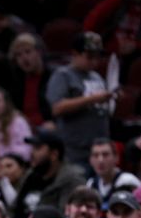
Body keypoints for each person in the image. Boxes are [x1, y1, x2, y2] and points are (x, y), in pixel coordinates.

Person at [46, 31, 112, 168]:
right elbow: (57, 108)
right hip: (75, 152)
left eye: (97, 57)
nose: (94, 61)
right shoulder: (63, 75)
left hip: (98, 150)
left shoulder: (96, 77)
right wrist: (92, 99)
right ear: (75, 53)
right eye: (89, 57)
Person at [11, 130, 86, 218]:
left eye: (37, 148)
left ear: (54, 154)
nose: (32, 153)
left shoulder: (71, 180)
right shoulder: (30, 175)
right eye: (32, 148)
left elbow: (65, 217)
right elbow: (13, 208)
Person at [9, 32, 54, 130]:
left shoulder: (54, 76)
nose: (24, 58)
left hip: (49, 129)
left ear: (38, 52)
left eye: (28, 52)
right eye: (18, 55)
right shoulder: (16, 80)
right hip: (23, 130)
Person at [86, 138, 141, 210]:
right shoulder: (91, 184)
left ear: (116, 158)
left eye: (105, 155)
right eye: (96, 155)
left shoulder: (128, 181)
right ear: (90, 160)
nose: (100, 160)